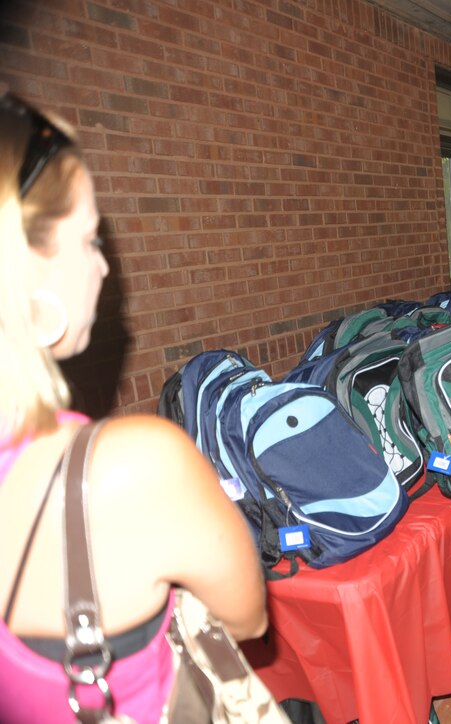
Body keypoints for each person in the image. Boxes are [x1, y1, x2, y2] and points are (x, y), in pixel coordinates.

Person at [0, 94, 267, 721]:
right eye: (90, 238)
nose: (103, 266)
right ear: (25, 267)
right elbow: (248, 614)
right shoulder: (128, 467)